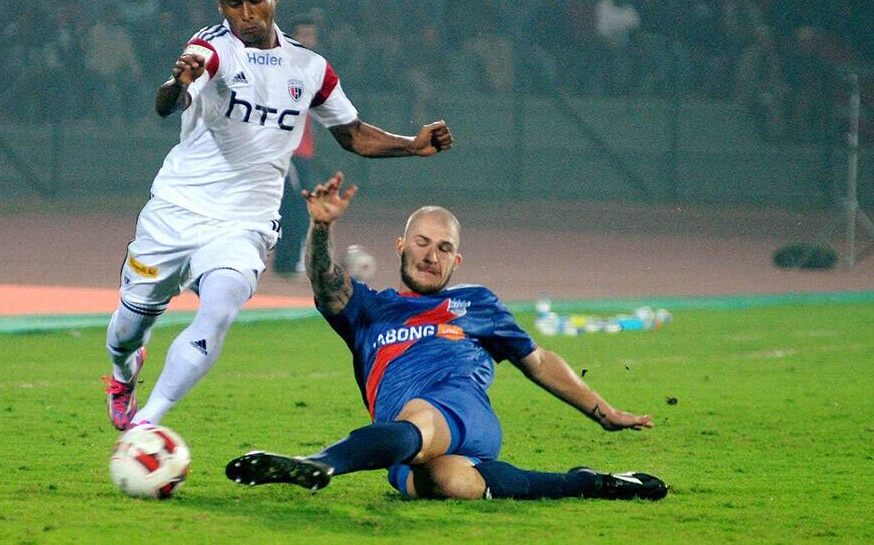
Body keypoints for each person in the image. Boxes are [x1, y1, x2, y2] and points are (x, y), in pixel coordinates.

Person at [102, 0, 453, 431]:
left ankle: (147, 426)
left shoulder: (309, 69)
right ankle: (124, 372)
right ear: (221, 5)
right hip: (176, 210)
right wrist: (177, 84)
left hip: (245, 223)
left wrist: (411, 145)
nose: (245, 14)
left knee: (219, 310)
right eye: (232, 4)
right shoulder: (210, 50)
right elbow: (168, 103)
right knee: (126, 330)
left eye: (254, 0)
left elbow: (351, 133)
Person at [226, 172, 667, 501]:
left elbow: (537, 360)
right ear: (400, 246)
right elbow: (324, 281)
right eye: (422, 242)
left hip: (462, 411)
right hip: (400, 443)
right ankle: (592, 483)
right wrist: (321, 227)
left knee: (420, 415)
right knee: (451, 482)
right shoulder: (369, 309)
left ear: (457, 260)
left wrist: (603, 411)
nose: (430, 255)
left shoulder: (477, 303)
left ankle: (320, 463)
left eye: (443, 249)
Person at [272, 15, 320, 277]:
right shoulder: (282, 67)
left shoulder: (311, 68)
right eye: (303, 34)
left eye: (311, 35)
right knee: (300, 202)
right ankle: (292, 260)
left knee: (288, 204)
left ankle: (285, 261)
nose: (308, 40)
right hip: (285, 149)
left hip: (302, 149)